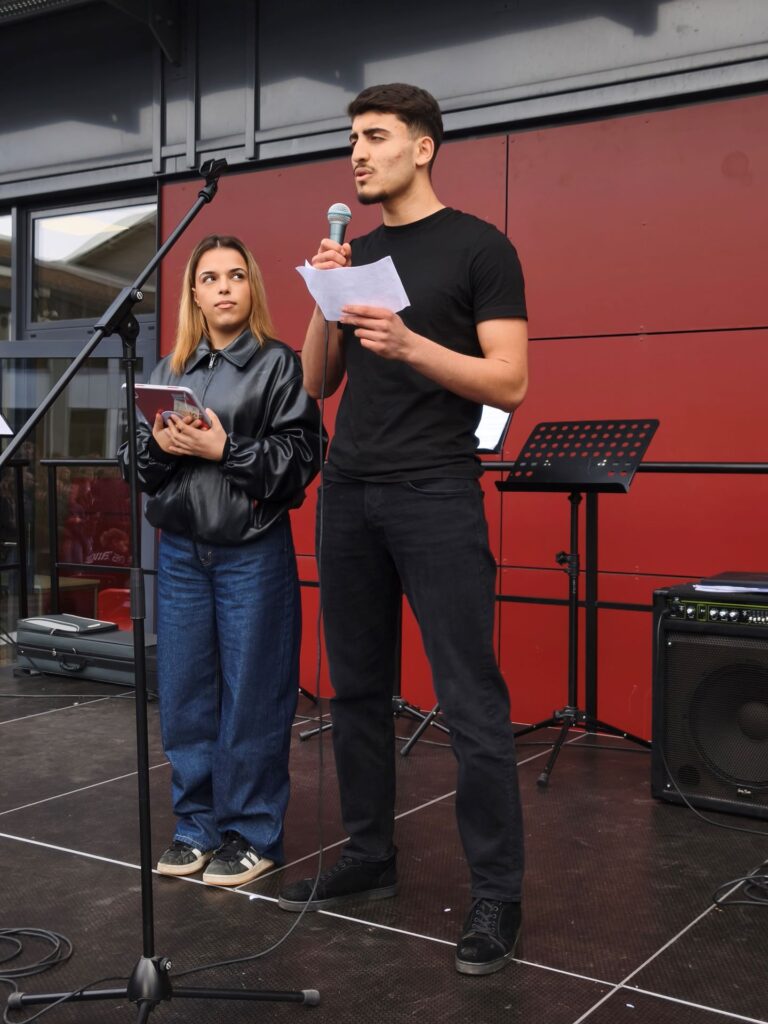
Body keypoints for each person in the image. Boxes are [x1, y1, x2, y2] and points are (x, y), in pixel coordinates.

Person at [277, 84, 529, 975]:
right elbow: (315, 384)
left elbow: (509, 381)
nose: (357, 152)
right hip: (350, 491)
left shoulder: (480, 247)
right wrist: (325, 293)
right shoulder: (357, 252)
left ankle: (497, 893)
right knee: (354, 691)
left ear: (423, 147)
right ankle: (370, 853)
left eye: (375, 136)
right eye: (351, 138)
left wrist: (411, 342)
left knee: (469, 697)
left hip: (435, 491)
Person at [119, 234, 324, 886]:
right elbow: (137, 467)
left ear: (251, 287)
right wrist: (161, 444)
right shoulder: (169, 369)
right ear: (194, 294)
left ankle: (251, 832)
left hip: (249, 555)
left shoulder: (278, 366)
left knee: (253, 699)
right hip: (179, 553)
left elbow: (298, 465)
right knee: (186, 699)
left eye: (237, 275)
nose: (225, 287)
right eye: (210, 278)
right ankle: (196, 827)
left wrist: (220, 450)